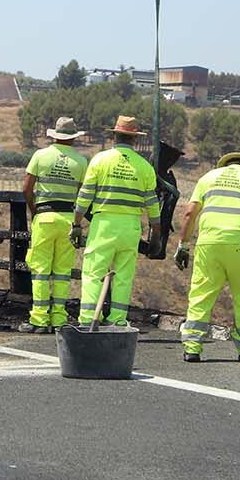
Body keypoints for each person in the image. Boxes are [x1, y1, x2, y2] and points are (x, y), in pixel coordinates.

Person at [173, 152, 240, 363]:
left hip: (209, 244)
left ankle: (192, 347)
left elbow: (189, 213)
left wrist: (183, 246)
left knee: (201, 293)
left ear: (226, 164)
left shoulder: (208, 177)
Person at [71, 115, 160, 326]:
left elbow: (84, 197)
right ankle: (118, 320)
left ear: (114, 136)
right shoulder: (144, 166)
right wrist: (156, 232)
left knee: (94, 272)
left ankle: (89, 319)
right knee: (124, 275)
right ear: (134, 139)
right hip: (131, 226)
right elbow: (153, 204)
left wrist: (76, 224)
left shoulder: (100, 160)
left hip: (104, 224)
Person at [17, 117, 89, 333]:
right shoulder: (81, 162)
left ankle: (39, 319)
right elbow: (84, 196)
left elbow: (26, 189)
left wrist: (34, 211)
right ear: (73, 138)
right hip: (68, 219)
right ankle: (58, 318)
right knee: (62, 271)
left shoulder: (41, 156)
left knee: (40, 270)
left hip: (45, 217)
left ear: (54, 135)